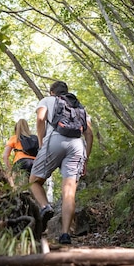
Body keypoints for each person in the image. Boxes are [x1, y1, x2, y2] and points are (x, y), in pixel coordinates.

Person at [29, 80, 93, 245]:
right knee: (69, 192)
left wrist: (41, 143)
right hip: (77, 145)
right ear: (66, 91)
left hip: (55, 141)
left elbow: (40, 119)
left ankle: (45, 207)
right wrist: (85, 158)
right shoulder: (79, 107)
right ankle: (65, 234)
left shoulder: (47, 101)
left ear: (52, 92)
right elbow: (89, 134)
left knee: (34, 181)